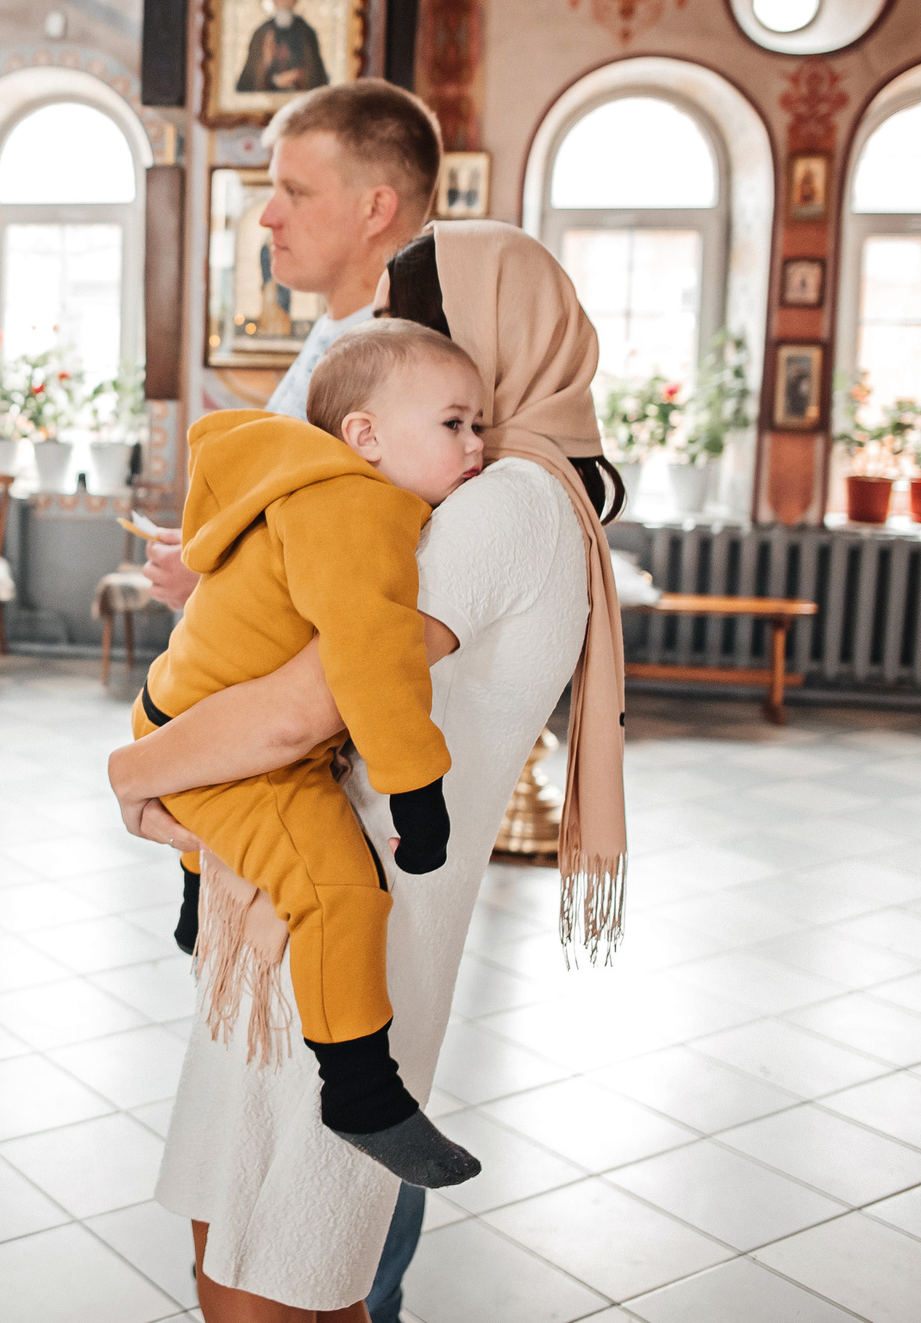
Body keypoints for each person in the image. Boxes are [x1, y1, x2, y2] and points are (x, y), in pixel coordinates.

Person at [120, 219, 625, 1321]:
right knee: (257, 1257)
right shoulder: (515, 496)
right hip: (294, 900)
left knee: (269, 1278)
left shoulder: (506, 501)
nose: (390, 342)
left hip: (346, 924)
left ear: (485, 334)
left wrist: (136, 767)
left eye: (415, 323)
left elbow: (307, 702)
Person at [134, 80, 477, 1320]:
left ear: (376, 204)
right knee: (257, 1096)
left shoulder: (416, 371)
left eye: (291, 186)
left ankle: (349, 1295)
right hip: (243, 754)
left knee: (339, 1082)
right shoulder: (339, 354)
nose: (265, 213)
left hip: (311, 763)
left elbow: (369, 609)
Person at [133, 321, 491, 1190]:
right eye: (453, 423)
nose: (478, 443)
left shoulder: (310, 482)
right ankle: (362, 1093)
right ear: (365, 435)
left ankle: (195, 897)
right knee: (341, 893)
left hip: (185, 709)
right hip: (226, 750)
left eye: (480, 424)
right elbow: (374, 661)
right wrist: (418, 794)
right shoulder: (353, 510)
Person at [236, 0, 329, 95]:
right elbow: (249, 78)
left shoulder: (306, 32)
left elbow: (316, 72)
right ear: (274, 0)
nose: (284, 1)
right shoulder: (261, 33)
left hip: (299, 97)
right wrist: (266, 63)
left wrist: (296, 75)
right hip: (267, 98)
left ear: (295, 0)